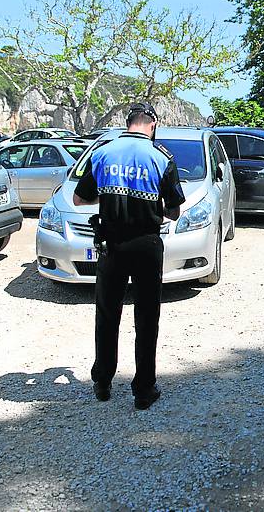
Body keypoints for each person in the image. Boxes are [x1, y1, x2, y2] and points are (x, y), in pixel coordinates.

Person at [73, 102, 186, 409]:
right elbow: (174, 211)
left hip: (111, 246)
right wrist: (152, 206)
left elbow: (79, 198)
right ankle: (144, 390)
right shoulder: (161, 157)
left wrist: (111, 196)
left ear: (128, 123)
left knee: (107, 314)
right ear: (153, 124)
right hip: (147, 245)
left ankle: (103, 381)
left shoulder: (102, 153)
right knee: (147, 318)